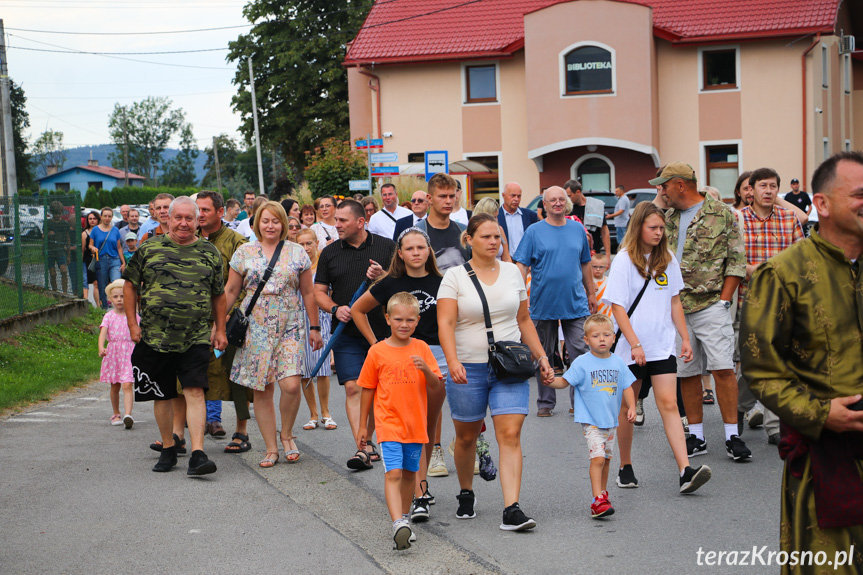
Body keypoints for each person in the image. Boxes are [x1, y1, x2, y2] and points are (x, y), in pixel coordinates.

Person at [741, 151, 863, 574]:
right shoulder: (782, 274)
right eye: (860, 194)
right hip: (825, 458)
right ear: (822, 204)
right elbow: (761, 368)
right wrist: (819, 413)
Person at [437, 212, 552, 530]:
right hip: (467, 368)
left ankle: (511, 508)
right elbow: (445, 323)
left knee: (510, 434)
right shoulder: (455, 277)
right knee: (466, 437)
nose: (493, 242)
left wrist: (541, 357)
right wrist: (453, 361)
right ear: (469, 240)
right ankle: (465, 493)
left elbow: (524, 320)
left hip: (509, 367)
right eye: (486, 236)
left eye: (497, 237)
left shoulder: (513, 273)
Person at [604, 201, 712, 493]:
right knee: (628, 408)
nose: (659, 233)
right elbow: (617, 308)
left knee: (669, 404)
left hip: (662, 346)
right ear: (638, 227)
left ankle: (685, 470)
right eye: (653, 227)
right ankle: (625, 466)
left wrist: (684, 338)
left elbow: (675, 300)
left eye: (662, 228)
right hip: (630, 348)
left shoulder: (667, 260)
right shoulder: (624, 260)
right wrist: (635, 344)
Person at [651, 162, 751, 461]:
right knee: (688, 372)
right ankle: (697, 436)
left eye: (665, 185)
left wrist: (724, 301)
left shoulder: (722, 214)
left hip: (710, 304)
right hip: (675, 306)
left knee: (722, 369)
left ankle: (733, 436)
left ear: (680, 184)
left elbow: (736, 261)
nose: (661, 190)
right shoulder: (664, 217)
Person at [123, 196, 227, 475]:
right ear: (167, 218)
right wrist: (133, 325)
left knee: (195, 390)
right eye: (178, 217)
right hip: (156, 336)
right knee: (163, 394)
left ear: (197, 221)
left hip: (196, 336)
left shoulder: (209, 253)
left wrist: (220, 329)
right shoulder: (149, 248)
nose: (183, 223)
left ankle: (197, 453)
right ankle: (168, 447)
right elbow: (131, 286)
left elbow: (219, 295)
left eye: (189, 218)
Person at [351, 227, 447, 521]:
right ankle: (419, 494)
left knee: (427, 429)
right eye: (410, 248)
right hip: (399, 357)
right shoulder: (390, 281)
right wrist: (376, 346)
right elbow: (357, 310)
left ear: (429, 251)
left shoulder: (443, 282)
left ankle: (421, 487)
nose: (416, 253)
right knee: (411, 425)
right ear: (400, 253)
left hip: (435, 354)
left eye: (422, 247)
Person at [224, 201, 323, 467]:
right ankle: (271, 448)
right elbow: (232, 291)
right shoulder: (244, 252)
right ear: (257, 223)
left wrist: (315, 327)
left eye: (276, 221)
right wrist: (217, 324)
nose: (270, 226)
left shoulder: (297, 253)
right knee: (263, 389)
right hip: (254, 326)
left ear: (284, 224)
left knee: (291, 384)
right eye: (265, 221)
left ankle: (287, 432)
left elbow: (308, 293)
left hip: (290, 324)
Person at [357, 291, 443, 550]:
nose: (403, 325)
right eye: (398, 319)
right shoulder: (377, 351)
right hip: (389, 424)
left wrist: (426, 369)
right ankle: (397, 522)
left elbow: (436, 386)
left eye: (409, 320)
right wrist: (364, 426)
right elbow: (367, 389)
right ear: (387, 319)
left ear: (417, 320)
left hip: (415, 425)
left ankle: (404, 520)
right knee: (393, 473)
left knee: (408, 475)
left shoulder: (422, 348)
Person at [314, 199, 395, 469]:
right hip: (346, 331)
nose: (336, 225)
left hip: (383, 331)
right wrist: (335, 309)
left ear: (360, 222)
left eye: (342, 221)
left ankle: (374, 437)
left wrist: (382, 275)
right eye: (335, 220)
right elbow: (318, 293)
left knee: (377, 390)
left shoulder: (386, 246)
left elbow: (400, 286)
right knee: (353, 387)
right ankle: (364, 445)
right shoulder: (329, 252)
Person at [513, 186, 596, 417]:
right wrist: (520, 296)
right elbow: (522, 264)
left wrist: (591, 293)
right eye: (553, 200)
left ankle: (578, 401)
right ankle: (545, 403)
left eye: (562, 199)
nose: (558, 203)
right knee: (543, 353)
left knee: (579, 351)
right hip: (543, 304)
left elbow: (586, 263)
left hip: (575, 303)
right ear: (545, 205)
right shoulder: (534, 231)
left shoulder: (577, 229)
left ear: (566, 203)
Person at [543, 314, 637, 518]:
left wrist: (631, 406)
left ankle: (603, 494)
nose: (601, 339)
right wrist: (550, 381)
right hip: (591, 422)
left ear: (614, 338)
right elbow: (564, 382)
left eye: (606, 335)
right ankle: (597, 500)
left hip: (611, 421)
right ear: (586, 340)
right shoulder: (582, 363)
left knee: (607, 459)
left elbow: (627, 385)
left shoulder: (618, 362)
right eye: (596, 336)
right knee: (597, 459)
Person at [739, 167, 805, 445]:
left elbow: (802, 258)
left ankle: (774, 425)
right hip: (748, 301)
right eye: (763, 186)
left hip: (783, 303)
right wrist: (761, 270)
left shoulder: (790, 218)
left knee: (780, 362)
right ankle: (739, 409)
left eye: (773, 186)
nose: (768, 191)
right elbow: (729, 261)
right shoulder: (736, 220)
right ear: (750, 190)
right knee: (751, 364)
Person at [191, 191, 253, 451]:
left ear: (219, 212)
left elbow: (247, 283)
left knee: (235, 375)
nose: (200, 215)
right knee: (190, 377)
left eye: (205, 210)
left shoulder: (237, 242)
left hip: (228, 320)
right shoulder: (186, 240)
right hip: (194, 322)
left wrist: (229, 313)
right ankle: (183, 435)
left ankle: (241, 432)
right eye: (198, 210)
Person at [295, 228, 336, 432]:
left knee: (322, 367)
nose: (305, 248)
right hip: (299, 320)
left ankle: (326, 412)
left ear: (316, 244)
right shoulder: (295, 267)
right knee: (304, 369)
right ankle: (313, 414)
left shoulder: (324, 267)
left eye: (309, 243)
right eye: (301, 244)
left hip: (321, 318)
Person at [99, 279, 138, 429]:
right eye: (115, 297)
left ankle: (128, 414)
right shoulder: (109, 316)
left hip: (129, 353)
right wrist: (101, 347)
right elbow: (103, 333)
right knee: (115, 385)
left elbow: (139, 333)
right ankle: (116, 413)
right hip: (114, 353)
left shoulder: (133, 315)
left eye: (122, 296)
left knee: (127, 384)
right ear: (110, 299)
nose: (119, 299)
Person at [90, 207, 126, 310]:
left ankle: (119, 307)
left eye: (109, 216)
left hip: (114, 259)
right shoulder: (95, 230)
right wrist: (93, 248)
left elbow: (119, 247)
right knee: (102, 284)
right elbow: (90, 245)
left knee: (117, 283)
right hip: (101, 259)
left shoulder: (115, 230)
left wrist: (123, 262)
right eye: (105, 216)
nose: (107, 218)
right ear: (101, 217)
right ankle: (104, 308)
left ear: (112, 217)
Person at [566, 179, 610, 255]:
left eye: (569, 196)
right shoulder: (567, 208)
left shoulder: (596, 206)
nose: (568, 199)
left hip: (593, 252)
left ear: (578, 192)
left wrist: (608, 254)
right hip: (574, 253)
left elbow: (604, 231)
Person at [497, 182, 537, 258]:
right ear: (503, 195)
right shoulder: (496, 216)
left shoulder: (530, 216)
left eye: (519, 196)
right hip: (505, 263)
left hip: (526, 264)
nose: (516, 199)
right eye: (513, 196)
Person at [473, 198, 512, 263]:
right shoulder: (473, 231)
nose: (496, 220)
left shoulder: (499, 230)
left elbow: (507, 258)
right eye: (493, 217)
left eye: (497, 216)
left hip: (500, 270)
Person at [45, 201, 71, 293]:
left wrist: (68, 255)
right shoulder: (48, 223)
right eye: (55, 214)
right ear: (52, 213)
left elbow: (68, 239)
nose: (57, 215)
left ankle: (65, 292)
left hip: (61, 250)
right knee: (52, 273)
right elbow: (43, 236)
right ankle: (55, 292)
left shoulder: (65, 224)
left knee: (63, 271)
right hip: (50, 250)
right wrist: (48, 234)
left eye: (59, 213)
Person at [82, 211, 100, 306]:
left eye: (94, 218)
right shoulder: (85, 233)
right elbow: (82, 250)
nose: (92, 221)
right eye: (90, 219)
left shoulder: (101, 231)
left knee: (97, 283)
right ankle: (86, 303)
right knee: (86, 282)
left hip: (99, 259)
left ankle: (99, 306)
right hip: (88, 260)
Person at [607, 185, 631, 250]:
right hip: (621, 223)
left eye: (617, 191)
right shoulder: (622, 199)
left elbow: (621, 211)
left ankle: (622, 252)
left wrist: (610, 216)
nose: (616, 192)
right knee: (622, 240)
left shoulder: (623, 199)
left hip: (622, 223)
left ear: (621, 191)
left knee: (622, 240)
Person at [591, 253, 612, 317]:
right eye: (595, 266)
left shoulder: (609, 281)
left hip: (607, 315)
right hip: (592, 316)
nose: (598, 269)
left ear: (606, 268)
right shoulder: (588, 282)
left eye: (601, 267)